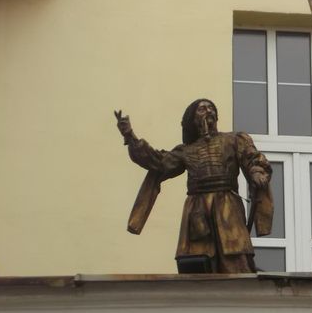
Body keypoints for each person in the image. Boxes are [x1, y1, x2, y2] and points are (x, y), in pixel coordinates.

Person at [115, 99, 272, 273]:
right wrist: (130, 136)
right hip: (197, 209)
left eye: (211, 108)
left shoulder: (233, 140)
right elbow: (158, 163)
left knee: (236, 257)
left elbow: (252, 157)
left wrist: (256, 172)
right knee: (197, 262)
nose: (209, 111)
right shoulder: (186, 150)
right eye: (202, 109)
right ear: (192, 119)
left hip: (228, 206)